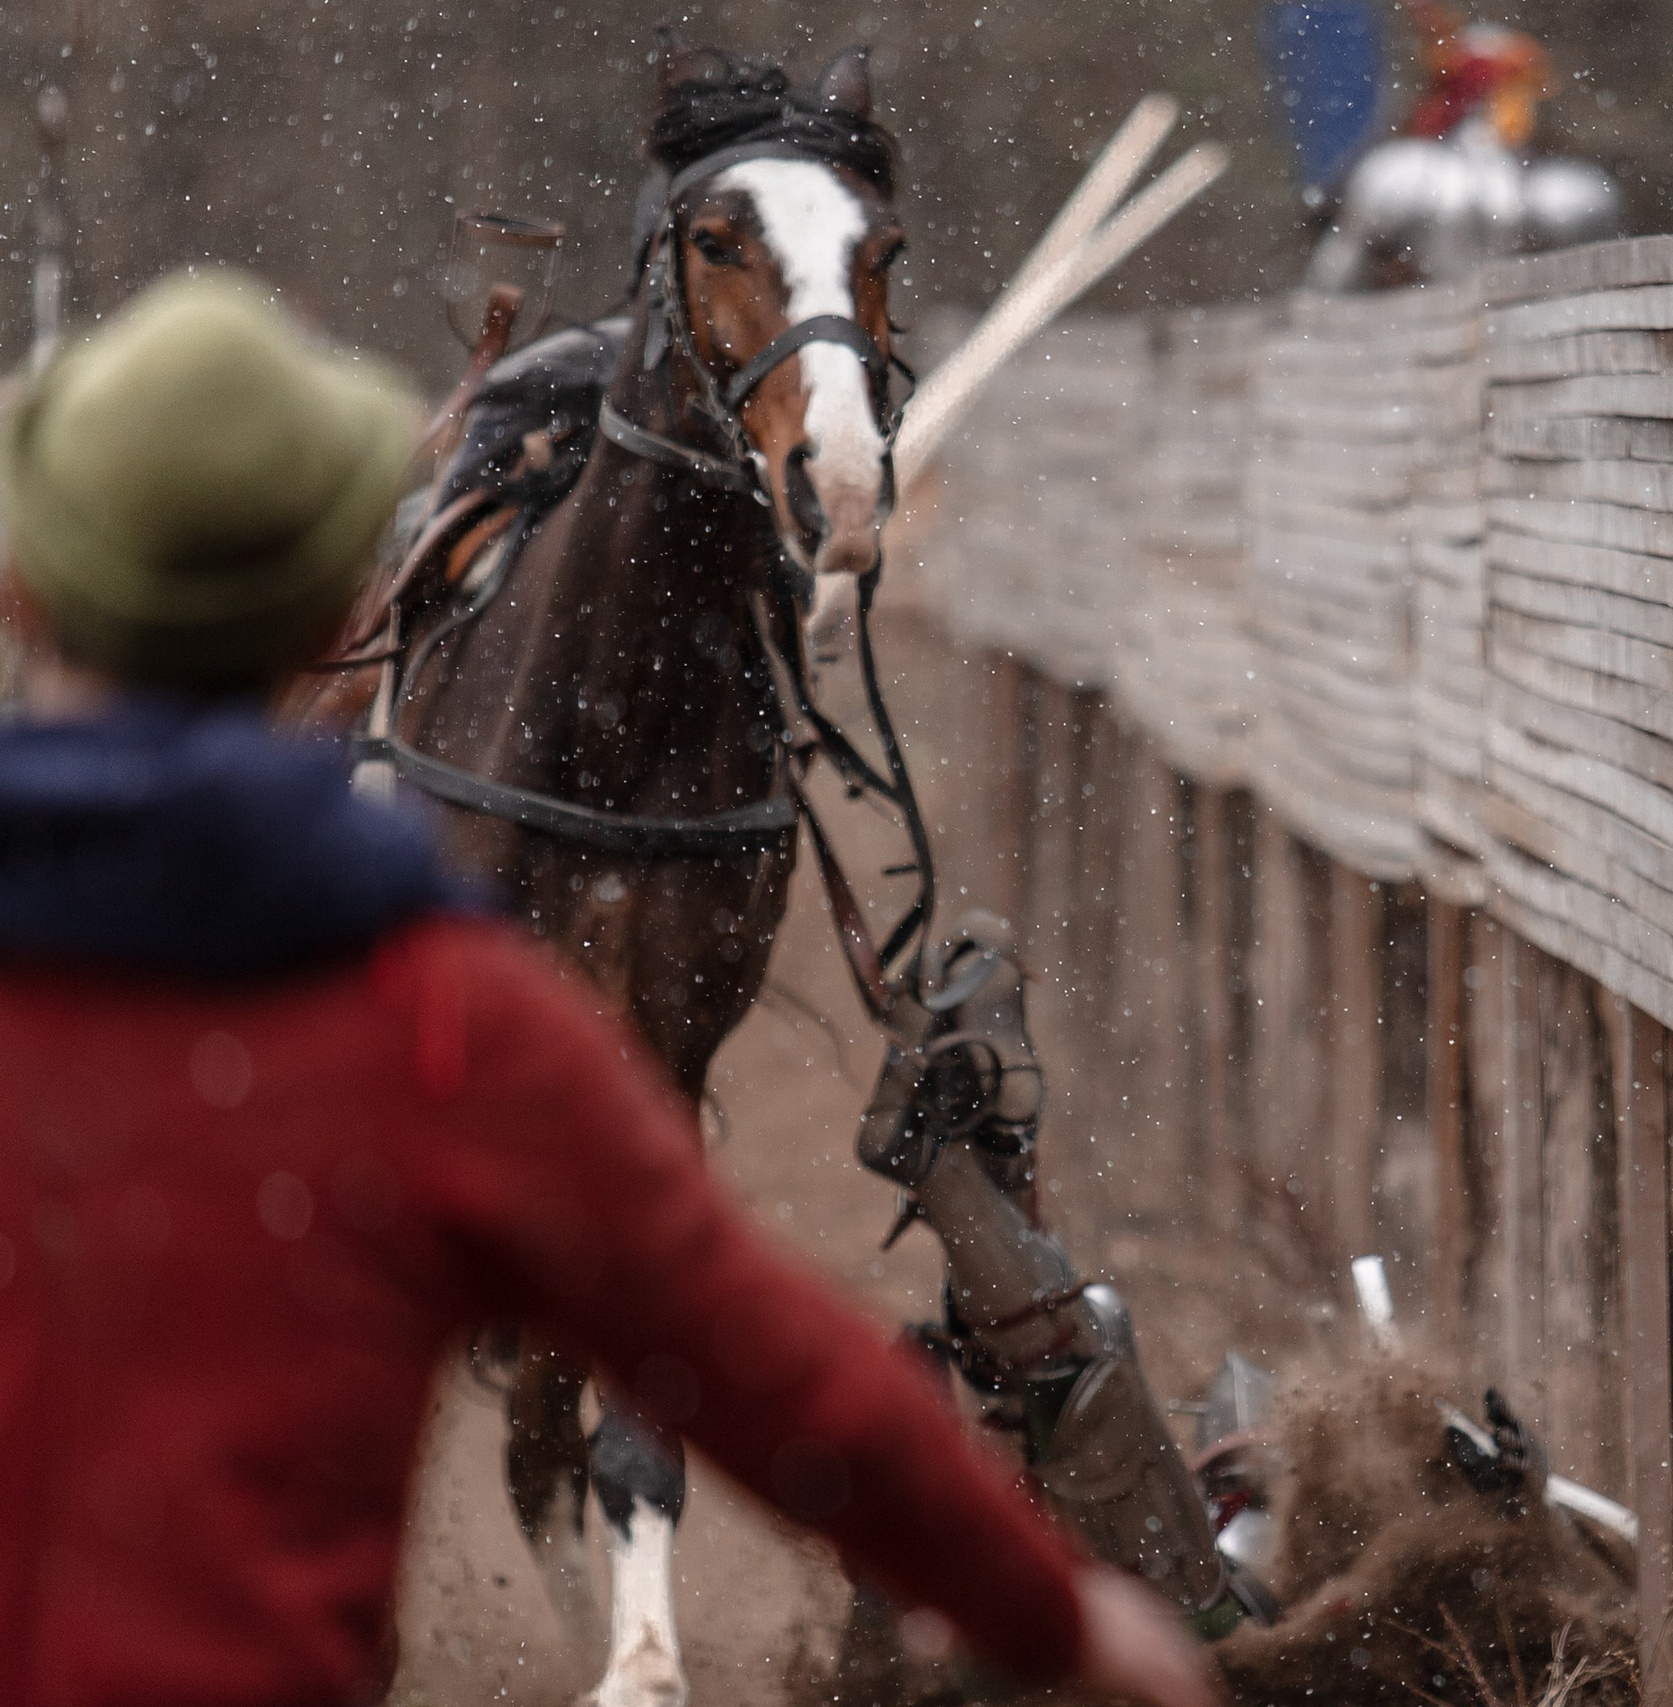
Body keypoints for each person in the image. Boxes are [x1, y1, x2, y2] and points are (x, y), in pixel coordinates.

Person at [0, 271, 1223, 1707]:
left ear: (22, 589)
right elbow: (768, 1367)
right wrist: (1055, 1613)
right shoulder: (454, 1026)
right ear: (347, 601)